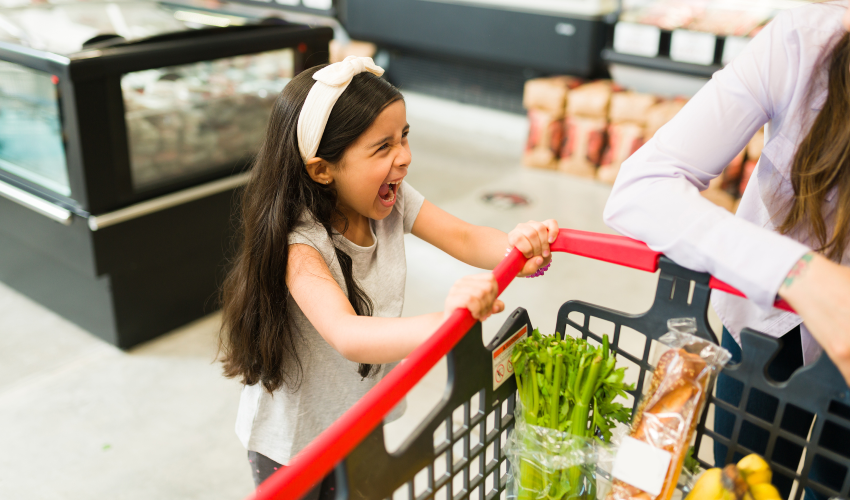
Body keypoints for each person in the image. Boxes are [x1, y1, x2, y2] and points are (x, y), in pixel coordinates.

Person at [217, 57, 559, 498]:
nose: (405, 157)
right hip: (294, 443)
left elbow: (464, 235)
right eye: (383, 148)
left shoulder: (391, 204)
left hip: (360, 420)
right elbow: (348, 334)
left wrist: (519, 248)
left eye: (404, 137)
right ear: (323, 169)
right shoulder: (300, 245)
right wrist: (448, 320)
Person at [604, 1, 850, 498]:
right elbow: (641, 188)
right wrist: (797, 272)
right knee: (743, 477)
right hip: (763, 324)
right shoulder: (805, 42)